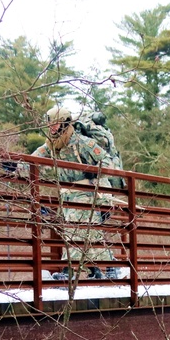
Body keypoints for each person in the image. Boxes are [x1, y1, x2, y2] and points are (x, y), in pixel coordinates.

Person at [32, 105, 118, 280]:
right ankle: (102, 269)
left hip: (89, 193)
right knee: (86, 234)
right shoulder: (51, 145)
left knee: (77, 232)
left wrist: (93, 172)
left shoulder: (82, 142)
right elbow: (34, 160)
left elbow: (108, 163)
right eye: (50, 125)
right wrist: (15, 165)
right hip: (68, 195)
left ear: (65, 123)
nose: (52, 128)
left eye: (55, 124)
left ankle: (69, 272)